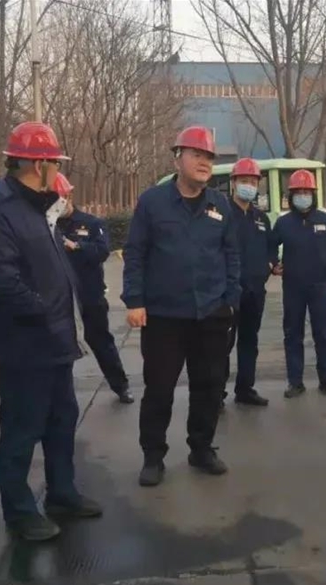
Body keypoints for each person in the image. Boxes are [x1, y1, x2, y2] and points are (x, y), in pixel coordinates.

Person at [0, 121, 102, 541]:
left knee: (62, 420)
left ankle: (62, 492)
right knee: (22, 429)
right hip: (25, 346)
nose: (57, 170)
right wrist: (46, 313)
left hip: (55, 341)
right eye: (54, 163)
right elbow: (1, 280)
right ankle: (19, 511)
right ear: (38, 164)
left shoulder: (37, 208)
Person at [122, 125, 240, 487]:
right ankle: (153, 456)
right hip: (164, 317)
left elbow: (232, 255)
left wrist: (230, 299)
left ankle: (201, 449)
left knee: (209, 387)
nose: (204, 163)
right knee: (159, 389)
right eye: (197, 155)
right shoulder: (152, 202)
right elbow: (135, 254)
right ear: (178, 158)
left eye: (209, 158)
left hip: (211, 315)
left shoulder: (220, 205)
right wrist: (135, 300)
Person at [53, 173, 134, 404]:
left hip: (89, 296)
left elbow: (102, 251)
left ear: (69, 197)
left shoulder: (91, 223)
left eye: (59, 199)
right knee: (59, 350)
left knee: (101, 342)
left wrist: (77, 246)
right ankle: (59, 397)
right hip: (60, 299)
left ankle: (121, 385)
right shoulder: (46, 226)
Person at [272, 169, 326, 399]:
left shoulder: (325, 220)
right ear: (291, 196)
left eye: (307, 192)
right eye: (298, 192)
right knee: (293, 334)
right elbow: (269, 245)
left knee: (323, 334)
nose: (303, 196)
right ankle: (295, 382)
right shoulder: (283, 223)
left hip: (321, 286)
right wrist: (273, 264)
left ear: (313, 194)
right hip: (293, 286)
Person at [222, 157, 275, 408]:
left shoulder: (261, 218)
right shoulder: (222, 215)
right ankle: (217, 394)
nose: (249, 186)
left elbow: (272, 248)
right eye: (244, 180)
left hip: (255, 292)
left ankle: (245, 389)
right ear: (233, 183)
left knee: (249, 342)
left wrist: (270, 264)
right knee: (222, 344)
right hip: (228, 293)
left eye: (253, 182)